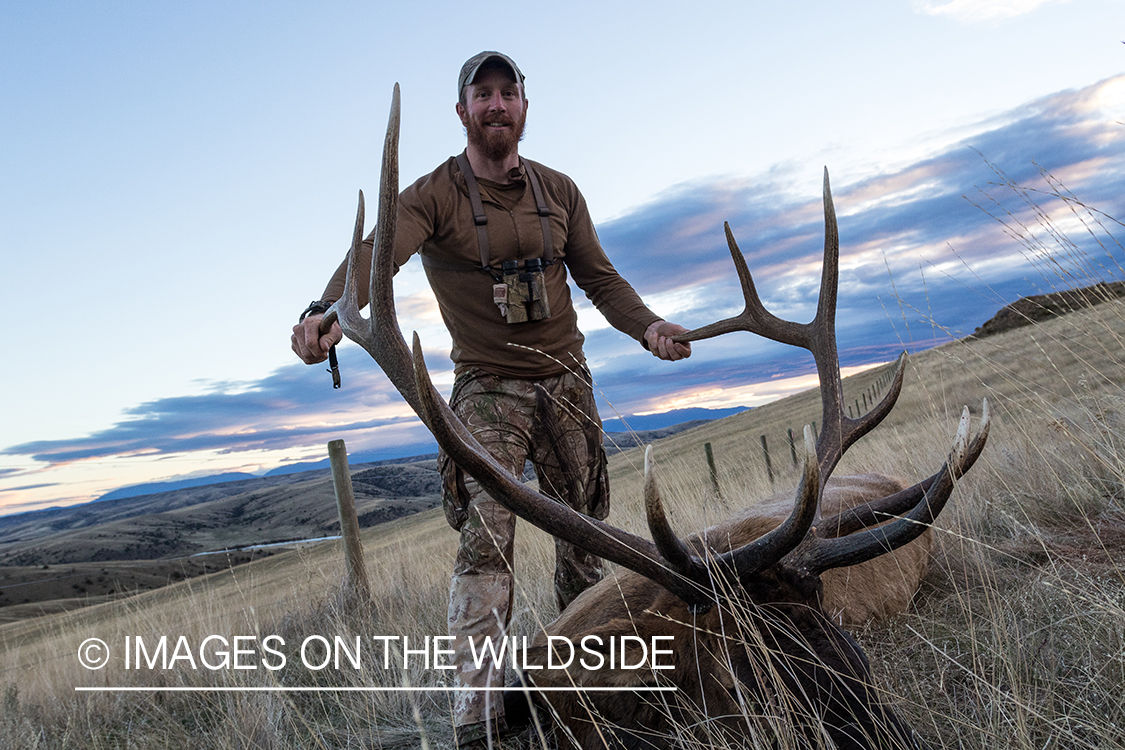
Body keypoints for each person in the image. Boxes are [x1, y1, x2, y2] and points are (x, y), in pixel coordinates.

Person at [291, 51, 692, 748]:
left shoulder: (560, 192)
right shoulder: (430, 197)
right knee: (486, 545)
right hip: (486, 389)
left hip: (566, 381)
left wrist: (648, 326)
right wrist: (329, 307)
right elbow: (374, 253)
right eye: (483, 94)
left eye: (509, 93)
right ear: (463, 112)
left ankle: (586, 691)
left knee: (586, 543)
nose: (497, 104)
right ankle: (476, 725)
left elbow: (600, 276)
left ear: (525, 109)